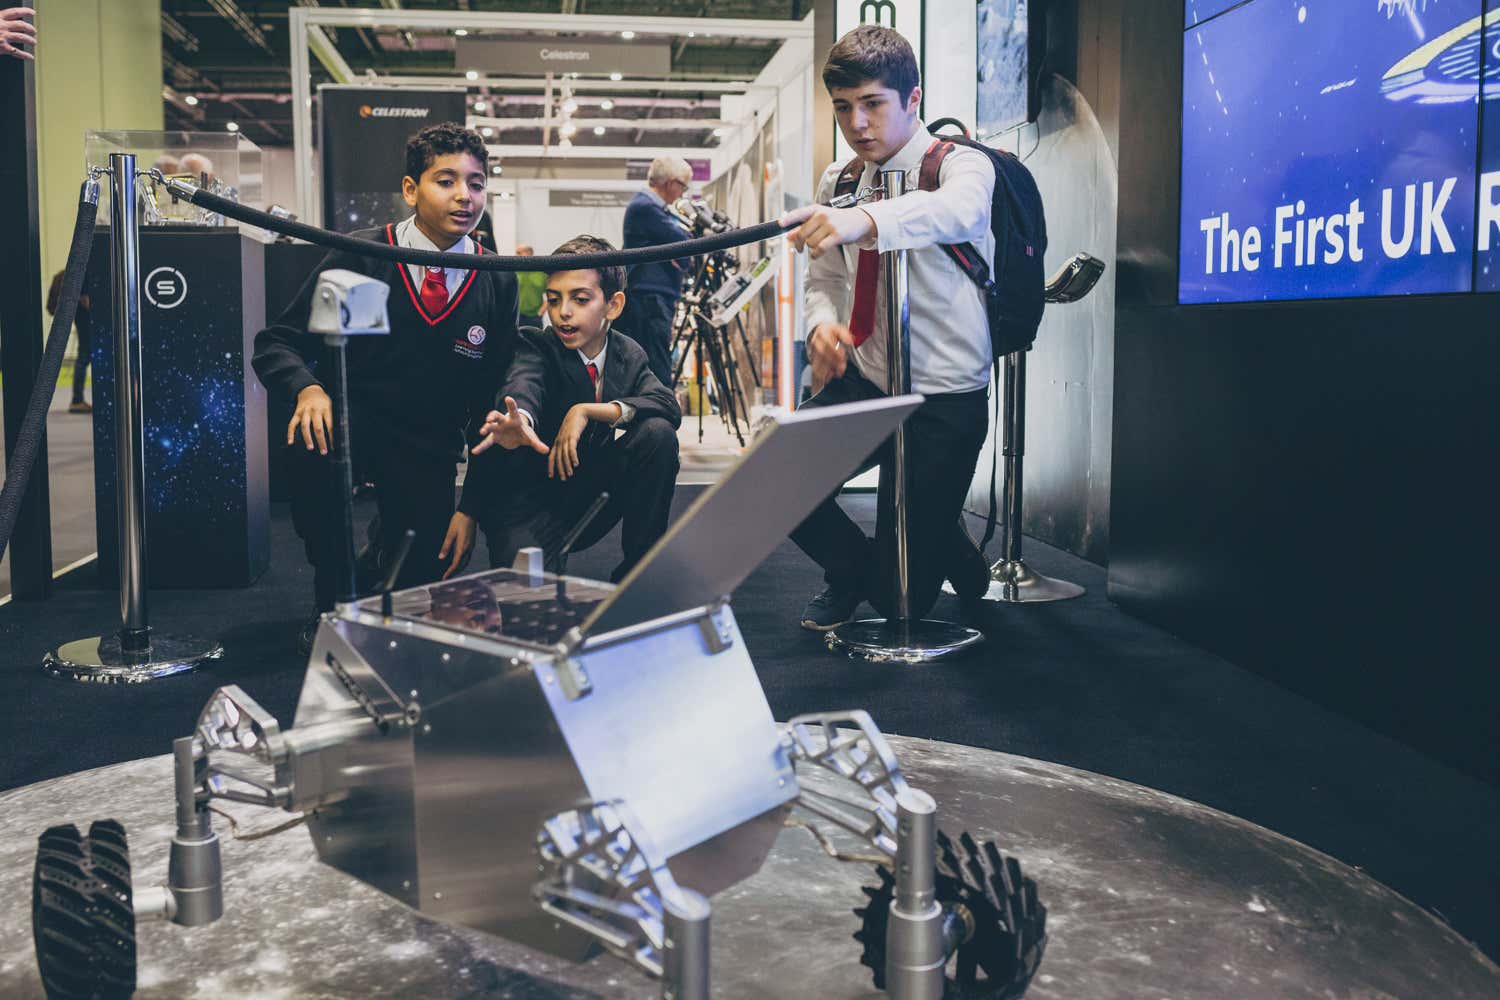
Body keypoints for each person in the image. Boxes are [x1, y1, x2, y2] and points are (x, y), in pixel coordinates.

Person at [253, 122, 518, 651]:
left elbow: (495, 397)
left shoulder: (497, 275)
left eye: (477, 183)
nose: (465, 196)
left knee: (419, 578)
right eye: (447, 181)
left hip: (429, 446)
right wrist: (309, 390)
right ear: (410, 189)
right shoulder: (363, 253)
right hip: (349, 427)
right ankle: (331, 595)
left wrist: (471, 507)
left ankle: (380, 555)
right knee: (312, 448)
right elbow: (276, 342)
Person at [778, 24, 995, 631]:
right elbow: (824, 281)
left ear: (913, 100)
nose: (858, 124)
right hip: (868, 378)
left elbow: (960, 213)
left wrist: (865, 222)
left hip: (944, 395)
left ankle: (938, 541)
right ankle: (850, 570)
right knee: (775, 479)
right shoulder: (839, 181)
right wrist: (823, 327)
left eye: (873, 104)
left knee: (903, 600)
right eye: (844, 108)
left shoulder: (963, 166)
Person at [472, 235, 681, 583]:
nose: (563, 312)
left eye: (580, 299)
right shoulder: (535, 343)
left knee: (658, 435)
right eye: (553, 300)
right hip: (529, 505)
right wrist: (520, 418)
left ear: (613, 305)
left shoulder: (628, 354)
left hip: (589, 495)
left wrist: (586, 410)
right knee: (527, 609)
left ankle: (638, 576)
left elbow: (667, 406)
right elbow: (524, 383)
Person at [617, 156, 693, 387]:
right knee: (654, 362)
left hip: (650, 296)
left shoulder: (650, 208)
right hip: (648, 298)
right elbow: (683, 243)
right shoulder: (646, 207)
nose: (682, 193)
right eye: (683, 186)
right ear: (671, 183)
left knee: (653, 358)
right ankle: (659, 416)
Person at [45, 271, 91, 413]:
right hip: (85, 315)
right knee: (84, 356)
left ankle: (77, 399)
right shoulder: (81, 274)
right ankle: (77, 400)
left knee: (83, 355)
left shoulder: (63, 275)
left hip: (80, 314)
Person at [512, 244, 547, 321]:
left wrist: (541, 312)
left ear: (529, 253)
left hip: (535, 317)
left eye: (519, 253)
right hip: (517, 316)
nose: (516, 255)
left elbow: (550, 295)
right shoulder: (514, 272)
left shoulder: (541, 273)